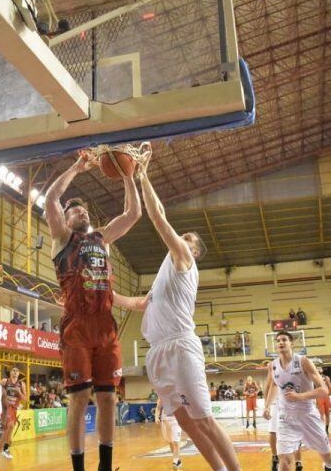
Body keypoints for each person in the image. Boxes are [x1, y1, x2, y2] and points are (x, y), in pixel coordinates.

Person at [111, 146, 240, 471]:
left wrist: (142, 175)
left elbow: (157, 216)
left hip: (181, 346)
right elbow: (139, 303)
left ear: (193, 251)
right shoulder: (162, 278)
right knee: (191, 429)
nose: (182, 238)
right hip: (157, 353)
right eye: (182, 236)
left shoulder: (183, 261)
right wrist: (106, 294)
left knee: (205, 421)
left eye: (187, 239)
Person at [44, 150, 141, 471]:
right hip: (77, 327)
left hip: (106, 326)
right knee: (79, 399)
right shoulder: (61, 238)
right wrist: (77, 166)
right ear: (66, 219)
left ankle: (105, 465)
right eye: (75, 212)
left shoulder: (102, 238)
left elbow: (132, 214)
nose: (81, 213)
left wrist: (128, 175)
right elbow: (50, 198)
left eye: (85, 211)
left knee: (108, 399)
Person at [264, 331, 331, 471]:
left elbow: (324, 390)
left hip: (307, 415)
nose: (280, 343)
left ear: (292, 343)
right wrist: (267, 406)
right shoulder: (273, 365)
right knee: (284, 460)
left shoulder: (303, 361)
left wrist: (299, 397)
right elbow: (274, 385)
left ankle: (329, 467)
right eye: (278, 341)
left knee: (326, 456)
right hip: (286, 418)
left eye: (284, 340)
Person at [0, 366, 26, 460]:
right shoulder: (4, 381)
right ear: (10, 372)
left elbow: (25, 400)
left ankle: (2, 450)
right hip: (5, 407)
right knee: (10, 425)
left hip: (14, 409)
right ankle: (2, 450)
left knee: (10, 428)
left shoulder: (22, 384)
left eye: (17, 371)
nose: (15, 372)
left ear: (19, 374)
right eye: (13, 370)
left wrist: (19, 392)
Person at [156, 397, 183, 470]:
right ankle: (177, 459)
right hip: (166, 421)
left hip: (177, 421)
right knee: (170, 442)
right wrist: (156, 417)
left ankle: (175, 462)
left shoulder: (179, 394)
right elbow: (158, 408)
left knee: (176, 442)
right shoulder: (162, 394)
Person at [316, 367, 331, 434]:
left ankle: (326, 429)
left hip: (326, 397)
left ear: (322, 370)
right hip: (319, 397)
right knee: (321, 414)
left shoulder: (326, 377)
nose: (319, 369)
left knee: (327, 414)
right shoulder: (314, 377)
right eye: (317, 368)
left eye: (320, 368)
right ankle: (322, 429)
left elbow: (330, 387)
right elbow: (312, 388)